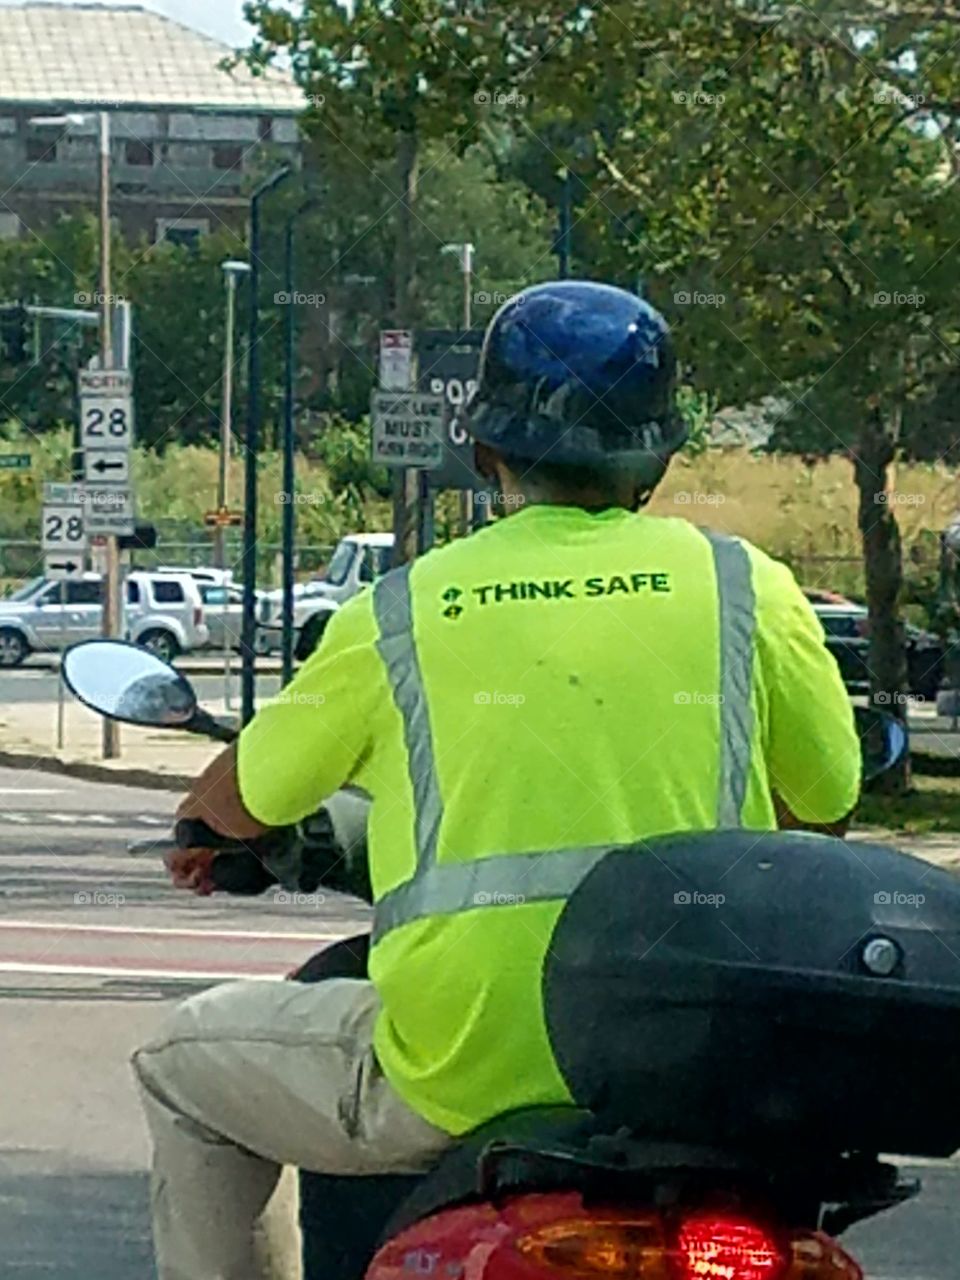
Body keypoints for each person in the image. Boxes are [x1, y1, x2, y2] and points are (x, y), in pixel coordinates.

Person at [131, 281, 861, 1280]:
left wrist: (200, 825)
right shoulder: (747, 587)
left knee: (180, 1066)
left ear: (483, 447)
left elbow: (242, 801)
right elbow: (825, 806)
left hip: (455, 1075)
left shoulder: (400, 611)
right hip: (698, 1081)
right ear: (660, 453)